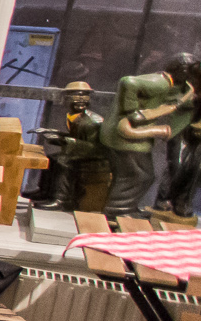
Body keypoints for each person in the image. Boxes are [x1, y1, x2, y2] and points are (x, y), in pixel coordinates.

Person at [102, 54, 201, 216]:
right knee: (137, 175)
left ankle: (126, 208)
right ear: (182, 71)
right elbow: (128, 82)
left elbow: (174, 100)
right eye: (190, 73)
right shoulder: (160, 82)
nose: (191, 78)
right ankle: (117, 210)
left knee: (143, 175)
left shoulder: (171, 85)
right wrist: (131, 110)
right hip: (127, 137)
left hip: (132, 138)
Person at [35, 80, 109, 212]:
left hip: (95, 157)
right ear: (66, 98)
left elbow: (94, 147)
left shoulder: (93, 122)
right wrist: (53, 133)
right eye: (76, 95)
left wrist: (63, 140)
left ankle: (62, 200)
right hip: (82, 152)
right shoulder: (74, 116)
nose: (81, 99)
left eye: (85, 96)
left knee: (64, 162)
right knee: (52, 158)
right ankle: (45, 192)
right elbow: (77, 137)